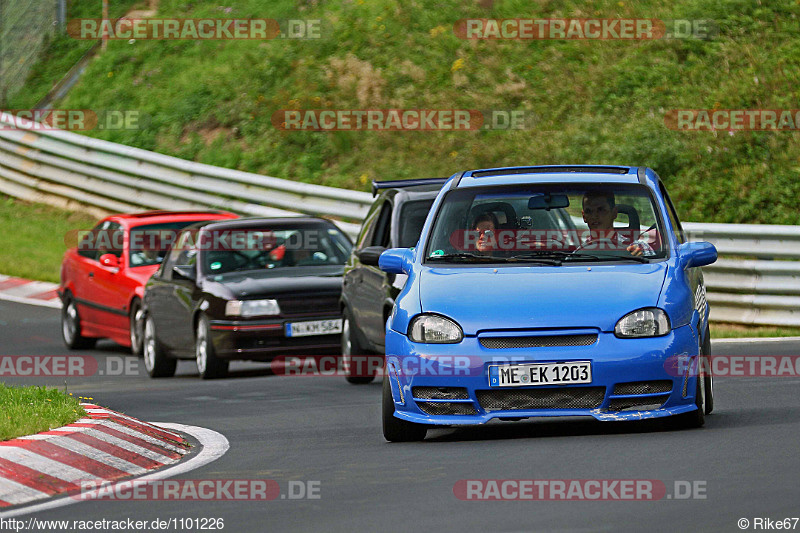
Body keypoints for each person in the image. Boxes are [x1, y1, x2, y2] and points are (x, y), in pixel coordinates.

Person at [581, 191, 655, 257]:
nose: (594, 216)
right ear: (584, 216)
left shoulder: (640, 248)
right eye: (589, 211)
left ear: (614, 213)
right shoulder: (578, 255)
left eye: (601, 210)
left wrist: (640, 260)